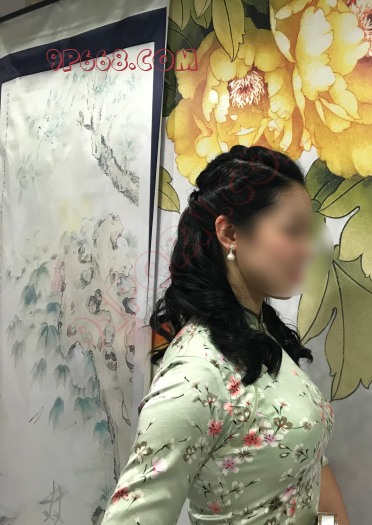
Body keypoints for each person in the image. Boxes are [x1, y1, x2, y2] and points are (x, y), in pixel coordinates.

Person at [101, 146, 349, 525]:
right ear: (230, 233)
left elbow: (309, 463)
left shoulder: (260, 332)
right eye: (292, 231)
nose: (307, 249)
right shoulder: (197, 373)